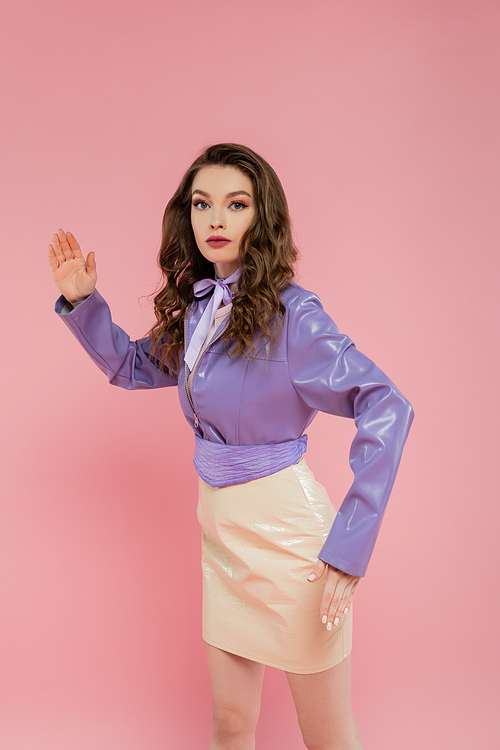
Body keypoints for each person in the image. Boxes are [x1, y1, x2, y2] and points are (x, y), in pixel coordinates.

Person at [48, 142, 414, 750]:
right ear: (187, 218)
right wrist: (84, 303)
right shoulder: (200, 311)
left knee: (326, 737)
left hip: (293, 545)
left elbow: (386, 404)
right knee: (231, 725)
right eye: (202, 203)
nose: (215, 219)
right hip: (222, 544)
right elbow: (132, 365)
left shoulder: (296, 315)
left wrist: (350, 544)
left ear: (260, 216)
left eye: (235, 203)